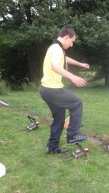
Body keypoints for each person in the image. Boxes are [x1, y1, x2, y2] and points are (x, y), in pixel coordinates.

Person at [40, 26, 89, 154]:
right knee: (77, 103)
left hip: (46, 90)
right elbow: (55, 66)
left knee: (59, 119)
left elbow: (64, 59)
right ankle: (73, 135)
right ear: (66, 37)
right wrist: (72, 77)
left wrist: (79, 64)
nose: (72, 44)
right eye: (72, 41)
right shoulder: (56, 49)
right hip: (53, 90)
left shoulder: (55, 48)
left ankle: (52, 147)